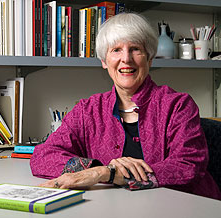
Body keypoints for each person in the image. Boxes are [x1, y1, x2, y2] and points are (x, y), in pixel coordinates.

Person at [30, 12, 221, 200]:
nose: (126, 59)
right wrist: (94, 169)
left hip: (186, 206)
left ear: (150, 58)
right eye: (116, 50)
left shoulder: (178, 105)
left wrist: (109, 174)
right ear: (104, 61)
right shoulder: (87, 110)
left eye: (136, 49)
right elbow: (42, 156)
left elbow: (188, 165)